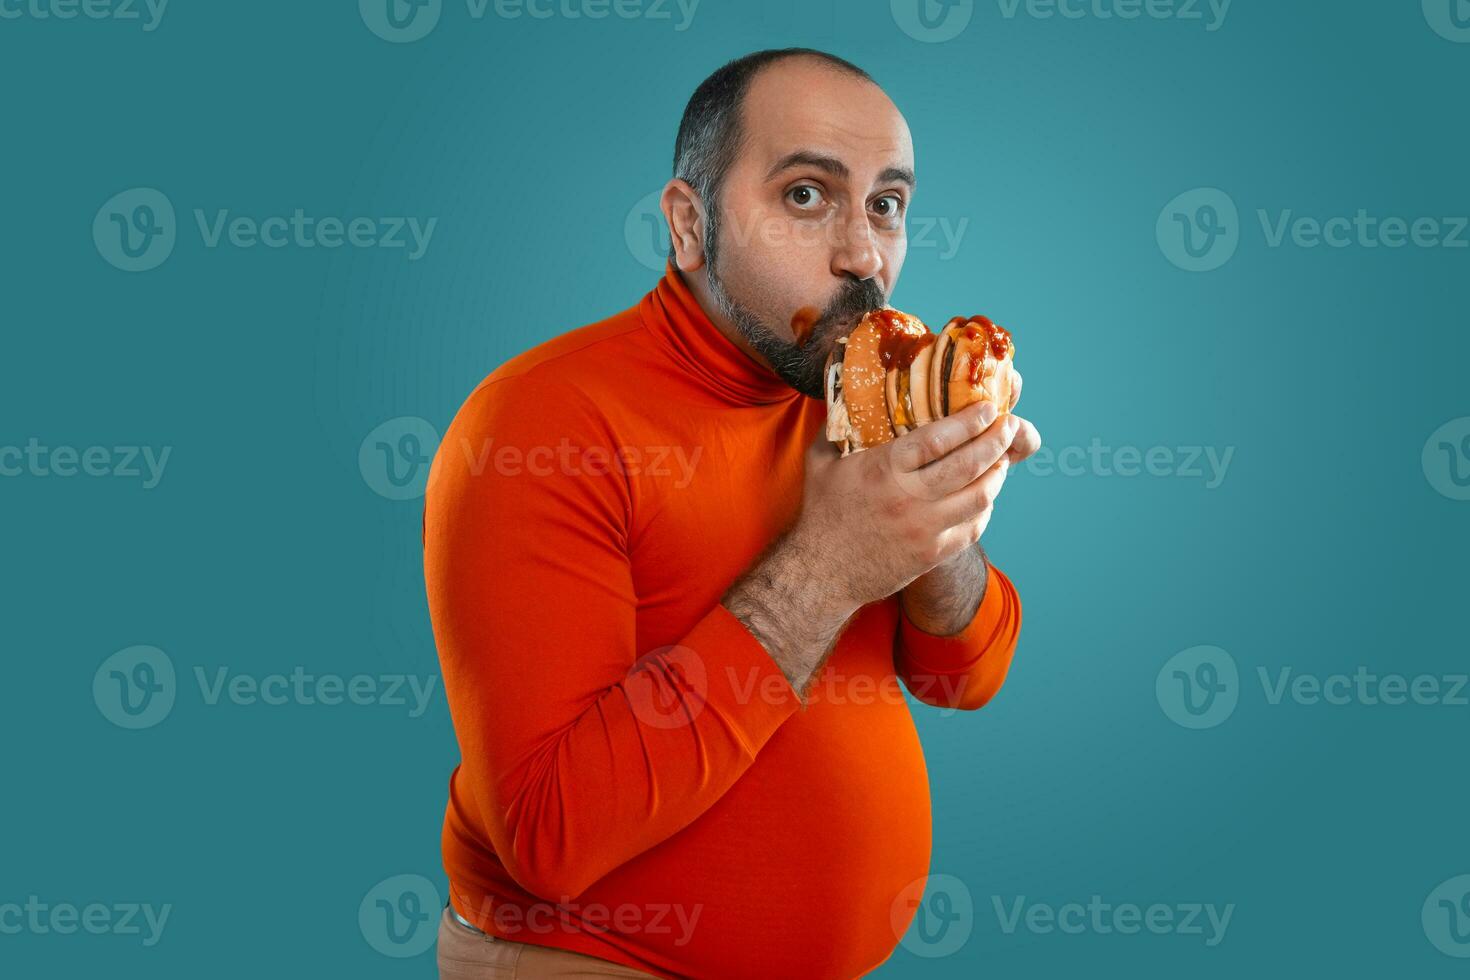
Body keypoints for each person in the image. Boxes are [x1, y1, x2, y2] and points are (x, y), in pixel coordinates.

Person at [424, 46, 1043, 980]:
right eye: (806, 194)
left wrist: (943, 518)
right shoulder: (538, 425)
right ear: (688, 224)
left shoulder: (847, 397)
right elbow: (548, 837)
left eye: (886, 204)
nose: (863, 255)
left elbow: (964, 679)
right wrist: (828, 566)